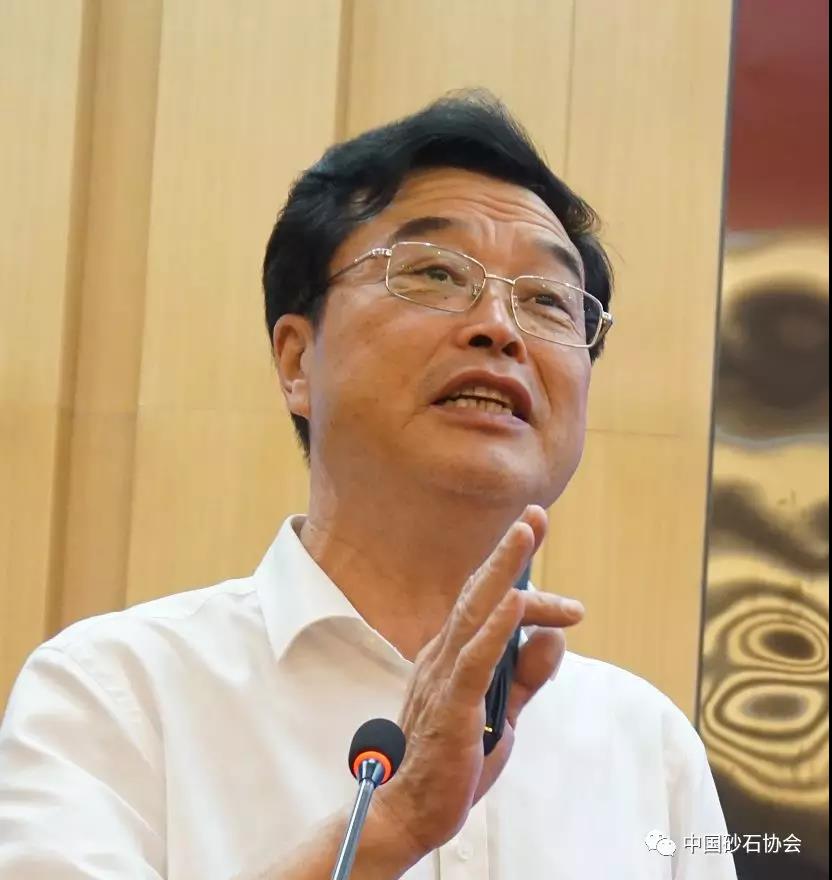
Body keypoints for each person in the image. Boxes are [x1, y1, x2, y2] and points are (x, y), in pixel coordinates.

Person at [0, 91, 737, 879]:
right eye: (435, 273)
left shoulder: (648, 748)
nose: (499, 327)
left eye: (548, 300)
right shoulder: (115, 692)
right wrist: (395, 825)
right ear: (296, 361)